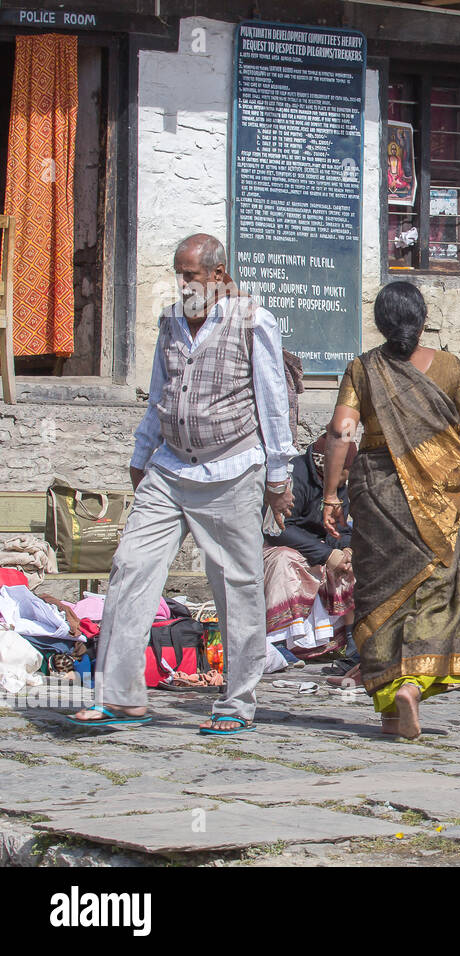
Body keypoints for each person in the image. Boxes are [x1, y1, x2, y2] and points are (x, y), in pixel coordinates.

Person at [67, 234, 296, 733]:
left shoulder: (254, 320)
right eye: (179, 272)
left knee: (235, 587)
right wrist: (140, 453)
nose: (183, 282)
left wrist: (279, 475)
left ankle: (237, 703)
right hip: (170, 469)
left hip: (232, 471)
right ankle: (121, 697)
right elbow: (159, 393)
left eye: (191, 273)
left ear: (218, 274)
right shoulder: (171, 319)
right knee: (130, 568)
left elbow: (272, 401)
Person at [321, 281, 460, 740]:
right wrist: (456, 469)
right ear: (423, 318)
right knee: (436, 588)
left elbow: (340, 432)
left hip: (377, 496)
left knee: (381, 595)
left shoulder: (363, 369)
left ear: (379, 323)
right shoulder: (451, 367)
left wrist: (331, 494)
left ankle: (393, 699)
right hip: (438, 498)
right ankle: (411, 688)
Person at [262, 433, 359, 669]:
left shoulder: (339, 486)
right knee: (287, 559)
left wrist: (345, 548)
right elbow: (278, 530)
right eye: (346, 471)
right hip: (282, 546)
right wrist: (326, 554)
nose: (348, 477)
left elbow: (340, 526)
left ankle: (352, 642)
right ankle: (280, 645)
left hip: (320, 547)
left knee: (352, 565)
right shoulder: (293, 475)